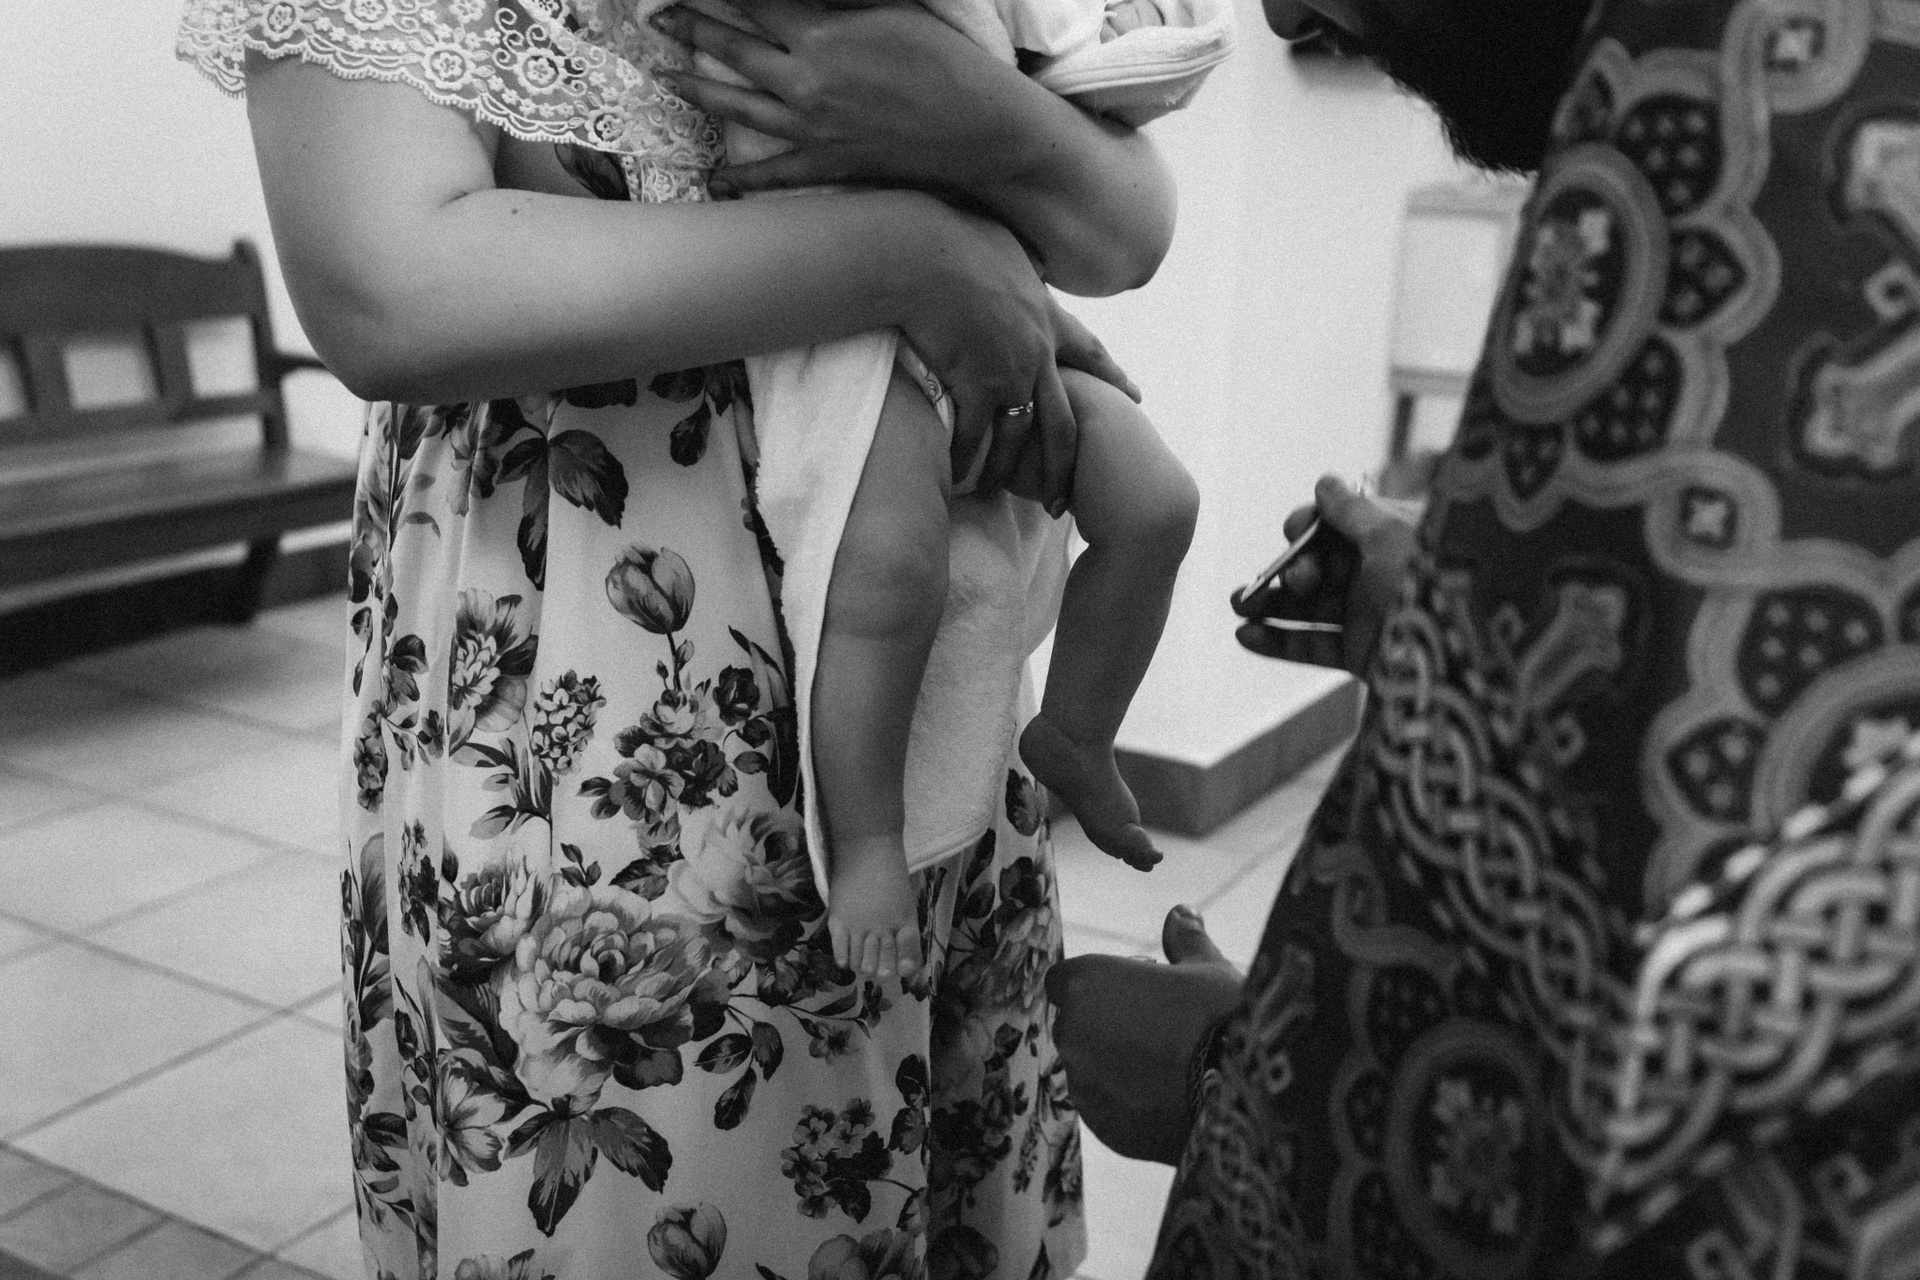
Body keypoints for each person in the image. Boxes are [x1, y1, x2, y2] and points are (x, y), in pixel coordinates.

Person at [178, 0, 1176, 1272]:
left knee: (910, 1148)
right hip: (595, 651)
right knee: (658, 1155)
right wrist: (918, 254)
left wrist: (984, 122)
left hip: (927, 665)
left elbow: (1126, 223)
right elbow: (384, 290)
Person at [1046, 0, 1920, 1275]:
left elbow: (1714, 1097)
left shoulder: (1753, 89)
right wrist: (1476, 624)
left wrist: (1231, 1074)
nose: (1287, 14)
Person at [658, 0, 1225, 981]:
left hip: (1001, 309)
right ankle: (868, 840)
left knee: (1157, 501)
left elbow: (1105, 133)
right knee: (887, 568)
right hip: (839, 324)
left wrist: (1105, 62)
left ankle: (1078, 735)